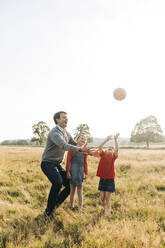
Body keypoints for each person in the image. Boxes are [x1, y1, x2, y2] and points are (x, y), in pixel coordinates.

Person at [41, 111, 92, 217]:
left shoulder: (65, 132)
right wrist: (80, 149)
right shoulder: (54, 133)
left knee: (69, 184)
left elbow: (73, 143)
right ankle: (48, 212)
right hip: (47, 163)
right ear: (57, 120)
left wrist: (87, 150)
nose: (66, 119)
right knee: (58, 182)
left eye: (67, 118)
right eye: (64, 118)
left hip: (57, 164)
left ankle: (53, 206)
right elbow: (64, 145)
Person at [95, 133, 120, 216]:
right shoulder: (103, 155)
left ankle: (107, 212)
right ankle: (106, 207)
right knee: (102, 197)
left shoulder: (113, 157)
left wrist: (115, 139)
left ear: (113, 152)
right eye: (109, 148)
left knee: (107, 197)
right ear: (106, 150)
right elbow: (100, 147)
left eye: (112, 149)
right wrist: (107, 139)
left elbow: (117, 149)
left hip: (110, 180)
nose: (111, 148)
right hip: (102, 179)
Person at [66, 134, 88, 213]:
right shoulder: (72, 149)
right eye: (82, 138)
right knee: (72, 190)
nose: (83, 139)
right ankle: (71, 206)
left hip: (80, 172)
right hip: (73, 172)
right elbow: (68, 161)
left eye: (85, 139)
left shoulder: (85, 151)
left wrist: (86, 173)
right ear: (77, 139)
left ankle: (80, 208)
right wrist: (68, 171)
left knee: (80, 191)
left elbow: (85, 163)